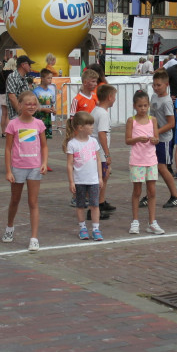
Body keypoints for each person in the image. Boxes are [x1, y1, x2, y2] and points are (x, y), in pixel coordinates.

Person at [2, 92, 48, 251]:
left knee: (33, 202)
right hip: (18, 168)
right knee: (15, 200)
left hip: (34, 168)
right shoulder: (13, 124)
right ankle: (9, 227)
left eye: (34, 104)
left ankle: (34, 237)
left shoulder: (39, 124)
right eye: (27, 104)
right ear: (20, 105)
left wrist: (44, 162)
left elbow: (44, 146)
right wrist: (8, 170)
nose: (31, 106)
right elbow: (8, 149)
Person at [126, 90, 165, 235]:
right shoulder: (132, 121)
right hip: (137, 160)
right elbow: (127, 140)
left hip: (151, 159)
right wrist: (137, 139)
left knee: (152, 191)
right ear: (135, 106)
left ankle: (152, 222)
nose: (143, 109)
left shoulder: (152, 120)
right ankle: (135, 221)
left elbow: (156, 138)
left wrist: (155, 140)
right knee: (137, 191)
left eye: (145, 106)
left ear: (149, 105)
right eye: (140, 106)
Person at [144, 69, 177, 209]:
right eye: (154, 84)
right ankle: (149, 195)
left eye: (158, 85)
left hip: (164, 139)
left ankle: (175, 196)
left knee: (162, 167)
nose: (155, 87)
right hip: (153, 138)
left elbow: (171, 123)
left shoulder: (167, 101)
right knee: (150, 166)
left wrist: (156, 132)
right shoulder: (154, 97)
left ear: (166, 84)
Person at [65, 111, 104, 241]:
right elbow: (70, 164)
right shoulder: (72, 144)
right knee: (80, 205)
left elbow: (98, 160)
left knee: (95, 205)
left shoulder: (93, 142)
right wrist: (71, 182)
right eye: (90, 125)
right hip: (80, 180)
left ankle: (96, 229)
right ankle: (82, 228)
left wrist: (100, 177)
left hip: (93, 180)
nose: (92, 127)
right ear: (81, 127)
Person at [93, 84, 118, 218]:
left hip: (98, 152)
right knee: (100, 179)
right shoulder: (102, 114)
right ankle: (95, 208)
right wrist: (107, 154)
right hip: (100, 153)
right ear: (109, 97)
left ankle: (101, 202)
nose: (114, 100)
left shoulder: (97, 111)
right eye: (114, 97)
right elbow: (102, 134)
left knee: (105, 176)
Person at [5, 55, 33, 120]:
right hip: (17, 116)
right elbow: (12, 97)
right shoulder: (13, 77)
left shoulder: (24, 78)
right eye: (29, 64)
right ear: (23, 65)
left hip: (25, 115)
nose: (30, 66)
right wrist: (21, 113)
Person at [33, 68, 57, 140]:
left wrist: (53, 110)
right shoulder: (36, 91)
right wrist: (43, 109)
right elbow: (34, 106)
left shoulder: (51, 91)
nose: (50, 80)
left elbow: (52, 104)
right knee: (37, 137)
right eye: (48, 78)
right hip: (38, 117)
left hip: (47, 118)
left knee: (45, 138)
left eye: (51, 78)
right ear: (42, 78)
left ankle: (44, 151)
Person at [0, 52, 16, 136]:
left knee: (3, 114)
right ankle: (8, 132)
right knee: (9, 114)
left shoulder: (2, 72)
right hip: (8, 93)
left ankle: (2, 131)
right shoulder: (12, 73)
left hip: (1, 93)